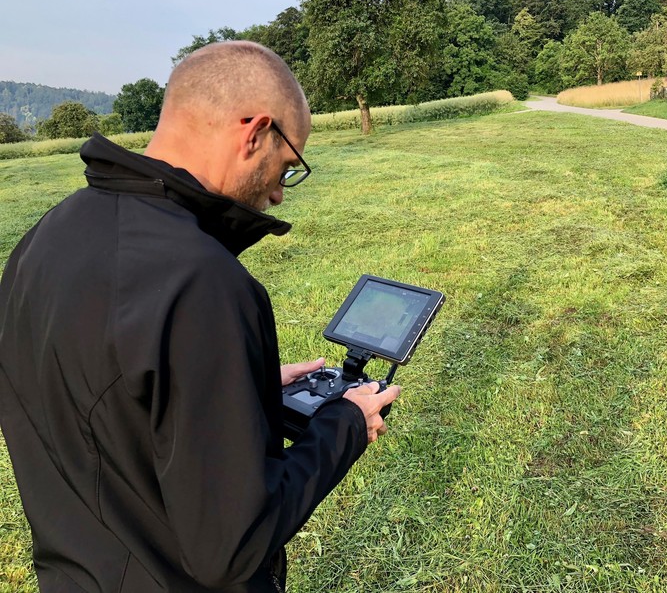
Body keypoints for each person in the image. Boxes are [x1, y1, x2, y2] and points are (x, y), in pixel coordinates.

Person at [0, 41, 400, 592]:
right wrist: (345, 425)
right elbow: (233, 548)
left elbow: (104, 402)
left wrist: (237, 387)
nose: (280, 195)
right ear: (255, 132)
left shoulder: (46, 237)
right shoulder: (201, 282)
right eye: (288, 167)